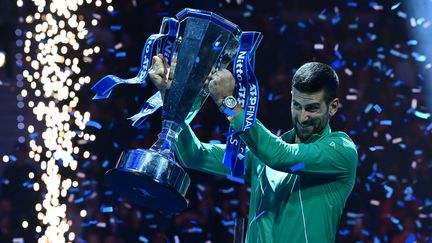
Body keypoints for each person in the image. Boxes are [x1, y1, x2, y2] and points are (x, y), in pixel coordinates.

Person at [149, 55, 358, 243]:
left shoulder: (341, 151)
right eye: (297, 106)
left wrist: (227, 102)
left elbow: (282, 156)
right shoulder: (263, 154)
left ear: (333, 107)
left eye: (312, 108)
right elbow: (194, 156)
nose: (303, 118)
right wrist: (172, 98)